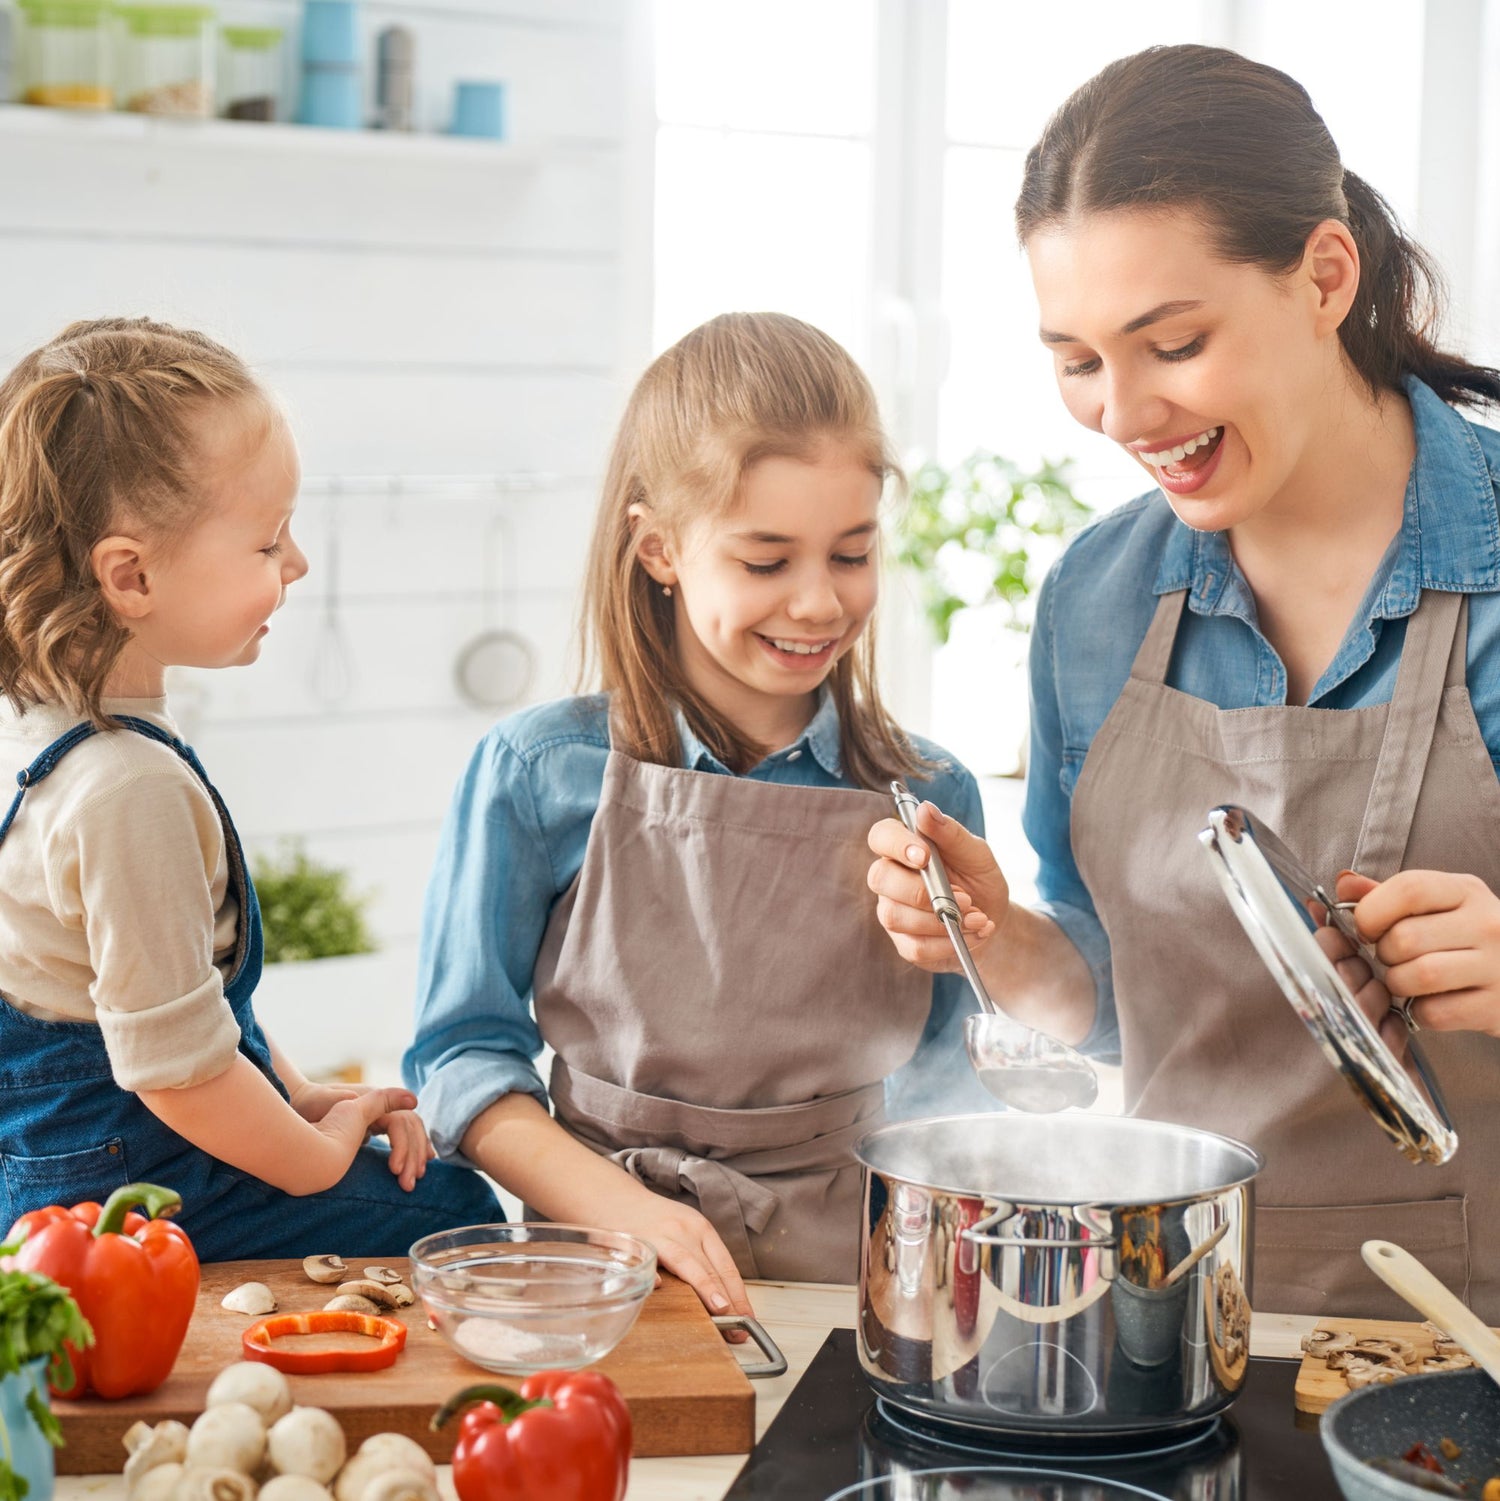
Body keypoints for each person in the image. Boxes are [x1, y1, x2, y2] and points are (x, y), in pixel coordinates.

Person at [866, 45, 1500, 1319]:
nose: (1123, 412)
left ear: (1326, 276)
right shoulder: (1098, 602)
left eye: (1173, 342)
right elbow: (1102, 992)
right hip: (1167, 1321)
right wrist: (1004, 944)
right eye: (1079, 358)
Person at [404, 311, 990, 1318]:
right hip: (596, 1260)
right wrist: (626, 1211)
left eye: (850, 555)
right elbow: (462, 1061)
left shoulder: (928, 792)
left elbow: (956, 1080)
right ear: (660, 549)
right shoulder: (536, 771)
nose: (818, 604)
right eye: (767, 562)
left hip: (858, 1268)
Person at [0, 318, 501, 1257]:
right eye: (269, 543)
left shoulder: (37, 729)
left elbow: (180, 1000)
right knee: (456, 1213)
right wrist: (318, 1152)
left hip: (44, 1171)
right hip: (131, 1200)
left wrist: (300, 1093)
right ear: (131, 576)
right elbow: (177, 1072)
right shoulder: (125, 787)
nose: (297, 564)